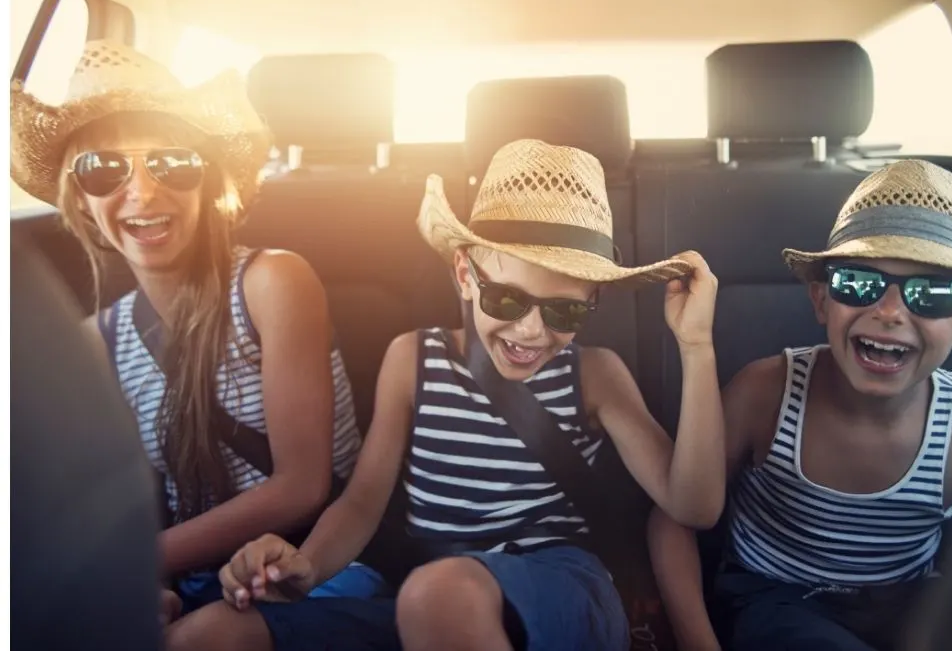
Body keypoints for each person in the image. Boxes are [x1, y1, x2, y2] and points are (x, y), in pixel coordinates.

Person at [163, 138, 727, 651]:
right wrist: (307, 565)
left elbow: (693, 507)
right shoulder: (413, 358)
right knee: (209, 634)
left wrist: (696, 346)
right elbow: (362, 503)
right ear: (464, 274)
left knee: (439, 596)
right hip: (424, 591)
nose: (532, 332)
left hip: (560, 586)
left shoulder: (596, 375)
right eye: (506, 300)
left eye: (564, 311)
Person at [10, 39, 369, 632]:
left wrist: (127, 566)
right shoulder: (98, 343)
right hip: (198, 575)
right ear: (81, 197)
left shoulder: (272, 282)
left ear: (208, 181)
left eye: (171, 163)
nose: (144, 192)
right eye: (104, 169)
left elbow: (302, 487)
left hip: (311, 565)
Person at [649, 159, 952, 651]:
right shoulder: (766, 393)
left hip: (908, 601)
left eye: (931, 293)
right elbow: (673, 518)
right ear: (822, 300)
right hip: (778, 597)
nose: (889, 312)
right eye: (858, 284)